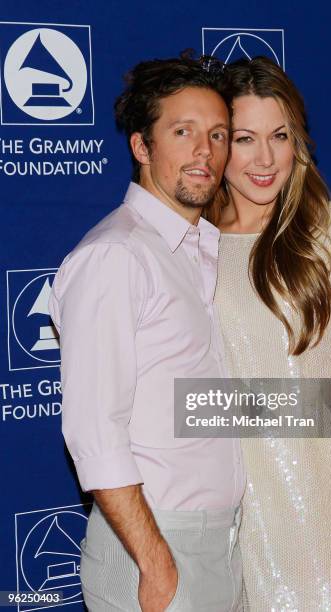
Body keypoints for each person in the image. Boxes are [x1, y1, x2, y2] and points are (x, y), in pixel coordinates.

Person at [49, 56, 245, 612]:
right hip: (155, 550)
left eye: (217, 135)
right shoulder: (116, 256)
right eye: (182, 132)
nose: (204, 151)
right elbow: (93, 427)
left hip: (224, 545)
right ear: (142, 147)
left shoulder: (197, 251)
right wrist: (156, 564)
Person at [210, 57, 331, 611]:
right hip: (216, 518)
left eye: (280, 136)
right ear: (218, 145)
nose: (264, 159)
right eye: (244, 139)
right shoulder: (188, 244)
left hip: (317, 513)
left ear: (299, 141)